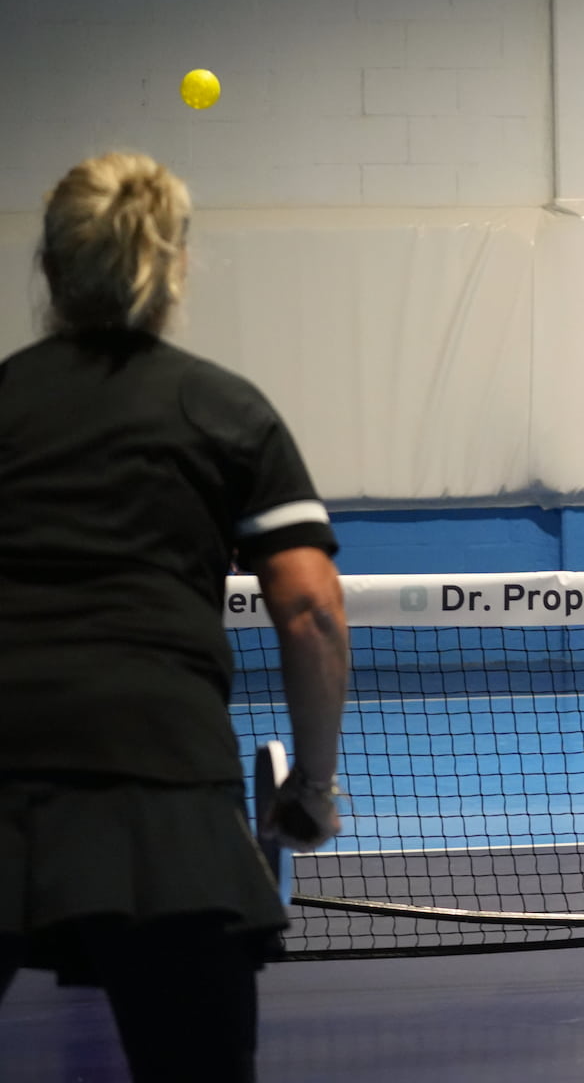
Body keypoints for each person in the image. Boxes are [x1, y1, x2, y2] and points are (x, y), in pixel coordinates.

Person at [0, 152, 350, 1082]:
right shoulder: (226, 411)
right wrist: (311, 790)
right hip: (164, 792)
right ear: (175, 268)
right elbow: (311, 610)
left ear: (48, 267)